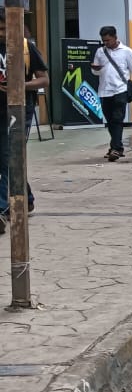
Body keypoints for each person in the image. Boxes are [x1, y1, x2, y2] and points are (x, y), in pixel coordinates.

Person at [0, 14, 48, 230]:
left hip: (19, 110)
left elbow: (44, 79)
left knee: (9, 156)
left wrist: (19, 85)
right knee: (9, 158)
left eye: (3, 29)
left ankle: (2, 208)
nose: (1, 34)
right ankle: (25, 198)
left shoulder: (25, 47)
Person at [91, 26, 132, 162]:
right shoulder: (100, 51)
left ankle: (115, 149)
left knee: (117, 119)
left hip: (120, 90)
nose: (106, 43)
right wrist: (96, 69)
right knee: (109, 121)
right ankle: (117, 147)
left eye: (108, 40)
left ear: (115, 37)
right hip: (104, 91)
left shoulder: (126, 52)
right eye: (103, 41)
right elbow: (95, 72)